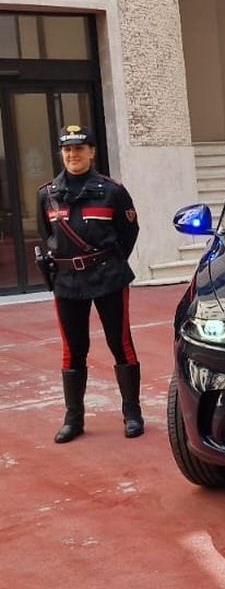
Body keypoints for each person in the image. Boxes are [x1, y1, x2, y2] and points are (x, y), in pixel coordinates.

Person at [37, 124, 144, 443]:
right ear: (61, 153)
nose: (73, 155)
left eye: (79, 148)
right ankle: (74, 419)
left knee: (120, 342)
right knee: (73, 349)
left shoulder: (112, 190)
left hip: (108, 276)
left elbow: (129, 232)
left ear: (92, 152)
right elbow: (48, 236)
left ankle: (132, 413)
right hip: (67, 280)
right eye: (67, 149)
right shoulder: (47, 194)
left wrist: (108, 261)